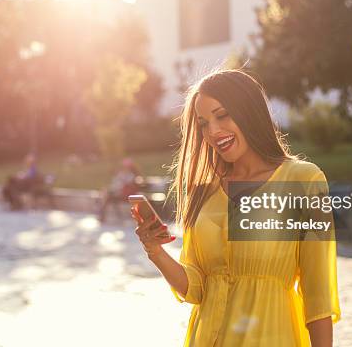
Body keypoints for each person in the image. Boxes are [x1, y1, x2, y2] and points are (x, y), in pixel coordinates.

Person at [131, 70, 340, 346]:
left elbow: (318, 293)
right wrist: (155, 251)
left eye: (222, 115)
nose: (213, 132)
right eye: (204, 123)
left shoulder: (304, 180)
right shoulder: (203, 191)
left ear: (249, 112)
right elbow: (196, 289)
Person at [98, 158, 140, 223]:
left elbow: (126, 186)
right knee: (108, 196)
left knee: (107, 197)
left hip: (125, 194)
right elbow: (115, 184)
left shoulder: (131, 175)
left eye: (127, 166)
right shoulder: (122, 174)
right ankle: (104, 214)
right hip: (118, 193)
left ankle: (102, 214)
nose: (125, 168)